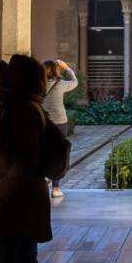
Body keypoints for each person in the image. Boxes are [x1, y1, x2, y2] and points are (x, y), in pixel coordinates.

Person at [0, 54, 66, 263]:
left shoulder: (22, 110)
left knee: (6, 258)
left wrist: (7, 185)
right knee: (24, 261)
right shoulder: (29, 105)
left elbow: (26, 157)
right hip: (28, 195)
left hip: (20, 196)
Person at [41, 59, 78, 199]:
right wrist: (67, 68)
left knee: (43, 151)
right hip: (61, 123)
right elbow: (75, 82)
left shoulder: (40, 85)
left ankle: (43, 180)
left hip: (44, 123)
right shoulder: (61, 84)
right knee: (59, 153)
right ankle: (56, 188)